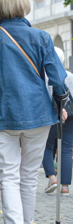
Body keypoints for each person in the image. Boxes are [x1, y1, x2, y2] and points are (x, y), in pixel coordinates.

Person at [0, 0, 68, 224]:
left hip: (3, 115)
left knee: (9, 176)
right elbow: (58, 79)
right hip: (39, 113)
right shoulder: (41, 37)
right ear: (22, 5)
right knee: (29, 176)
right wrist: (60, 101)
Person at [42, 46, 73, 195]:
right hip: (71, 116)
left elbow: (47, 97)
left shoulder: (46, 77)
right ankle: (65, 187)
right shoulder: (70, 75)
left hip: (53, 114)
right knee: (66, 149)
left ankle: (52, 177)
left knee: (46, 146)